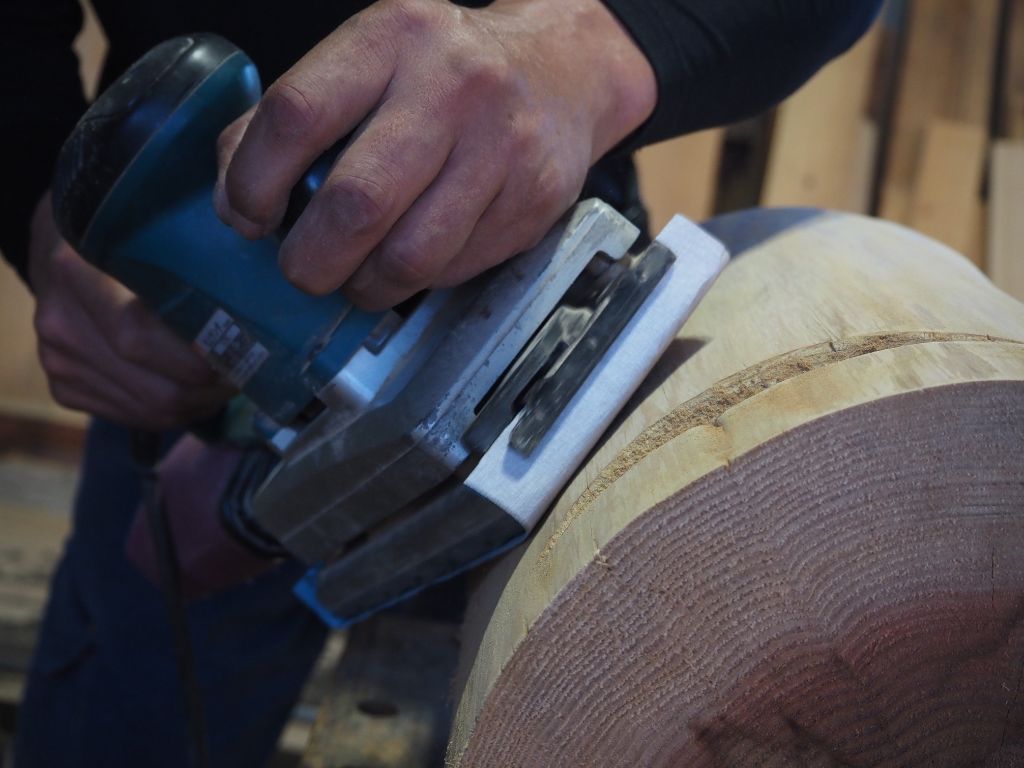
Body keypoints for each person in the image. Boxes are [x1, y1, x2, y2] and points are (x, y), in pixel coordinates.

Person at [0, 1, 882, 765]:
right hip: (193, 369)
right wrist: (39, 211)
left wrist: (591, 46)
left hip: (537, 319)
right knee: (128, 712)